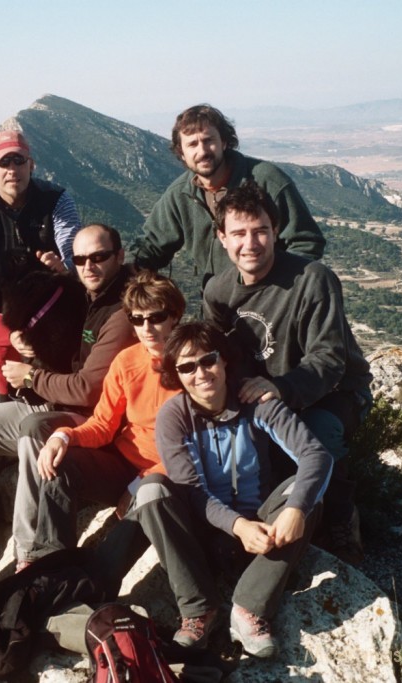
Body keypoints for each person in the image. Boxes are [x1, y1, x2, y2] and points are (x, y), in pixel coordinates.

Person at [0, 224, 136, 563]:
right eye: (79, 259)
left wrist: (31, 375)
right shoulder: (86, 293)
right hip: (53, 403)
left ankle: (29, 554)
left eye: (99, 257)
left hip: (89, 419)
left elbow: (88, 389)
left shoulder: (121, 313)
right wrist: (29, 347)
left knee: (37, 430)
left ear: (119, 257)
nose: (88, 266)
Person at [202, 182, 372, 563]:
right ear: (221, 238)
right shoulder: (218, 291)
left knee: (315, 435)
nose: (251, 243)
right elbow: (213, 350)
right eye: (239, 233)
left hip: (333, 392)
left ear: (275, 231)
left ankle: (343, 517)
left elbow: (330, 359)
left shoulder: (312, 279)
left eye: (260, 230)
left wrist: (280, 388)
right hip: (262, 395)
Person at [149, 321, 333, 658]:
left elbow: (315, 455)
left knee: (306, 494)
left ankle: (249, 608)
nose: (201, 373)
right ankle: (198, 609)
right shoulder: (174, 417)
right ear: (176, 375)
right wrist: (237, 525)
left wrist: (295, 509)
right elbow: (190, 490)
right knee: (151, 492)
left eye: (208, 360)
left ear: (224, 361)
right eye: (187, 367)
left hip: (262, 531)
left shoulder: (256, 403)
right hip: (204, 534)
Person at [27, 271, 184, 561]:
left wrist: (140, 483)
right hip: (123, 464)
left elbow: (194, 446)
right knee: (61, 465)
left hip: (165, 476)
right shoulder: (127, 360)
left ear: (175, 316)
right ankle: (50, 563)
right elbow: (102, 424)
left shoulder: (191, 365)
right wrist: (64, 436)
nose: (146, 328)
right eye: (137, 319)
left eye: (156, 318)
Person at [133, 104, 325, 287]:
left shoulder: (266, 180)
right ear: (181, 153)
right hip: (217, 304)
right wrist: (121, 270)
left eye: (208, 140)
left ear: (224, 142)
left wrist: (275, 288)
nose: (202, 151)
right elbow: (151, 246)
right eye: (192, 144)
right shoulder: (180, 194)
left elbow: (305, 242)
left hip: (271, 299)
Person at [0, 129, 81, 399]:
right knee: (0, 343)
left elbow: (71, 247)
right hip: (3, 293)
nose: (12, 169)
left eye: (19, 161)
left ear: (31, 165)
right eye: (4, 162)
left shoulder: (57, 199)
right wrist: (7, 291)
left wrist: (64, 265)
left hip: (53, 290)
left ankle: (65, 395)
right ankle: (8, 400)